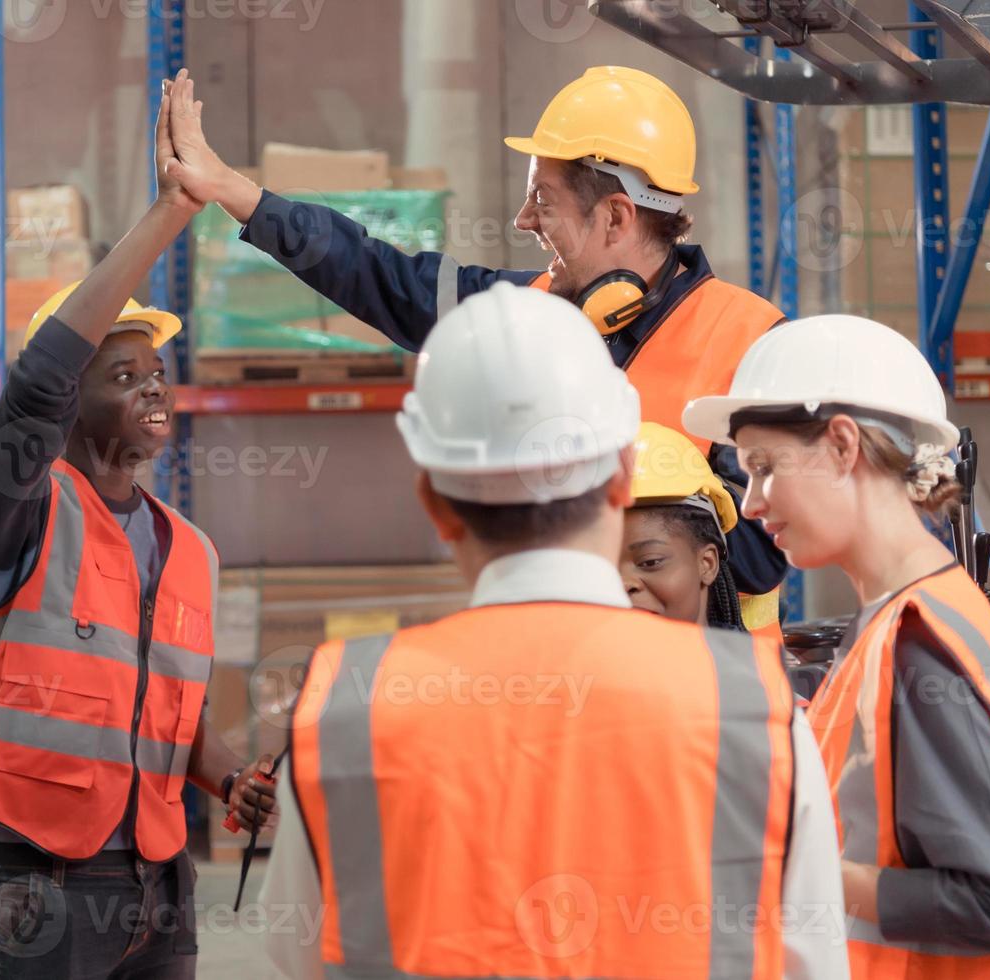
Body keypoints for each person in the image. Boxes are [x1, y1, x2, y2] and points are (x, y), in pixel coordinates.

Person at [258, 283, 848, 979]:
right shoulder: (753, 708)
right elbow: (813, 959)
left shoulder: (346, 709)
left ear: (433, 502)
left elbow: (295, 953)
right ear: (622, 475)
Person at [160, 65, 790, 633]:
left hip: (713, 706)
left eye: (543, 199)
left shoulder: (752, 341)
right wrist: (231, 191)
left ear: (618, 217)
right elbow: (382, 277)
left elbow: (762, 557)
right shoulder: (530, 315)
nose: (523, 219)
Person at [0, 76, 276, 979]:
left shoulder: (191, 551)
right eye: (122, 373)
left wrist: (230, 781)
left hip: (161, 878)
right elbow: (34, 381)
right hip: (44, 877)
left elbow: (173, 719)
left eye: (156, 372)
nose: (152, 387)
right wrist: (174, 211)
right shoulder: (19, 509)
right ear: (71, 402)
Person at [682, 314, 990, 977]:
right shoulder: (896, 621)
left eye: (762, 467)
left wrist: (789, 871)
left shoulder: (919, 640)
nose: (749, 504)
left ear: (840, 445)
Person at [625, 421, 747, 631]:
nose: (623, 584)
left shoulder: (754, 664)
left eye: (650, 562)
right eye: (603, 569)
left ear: (707, 563)